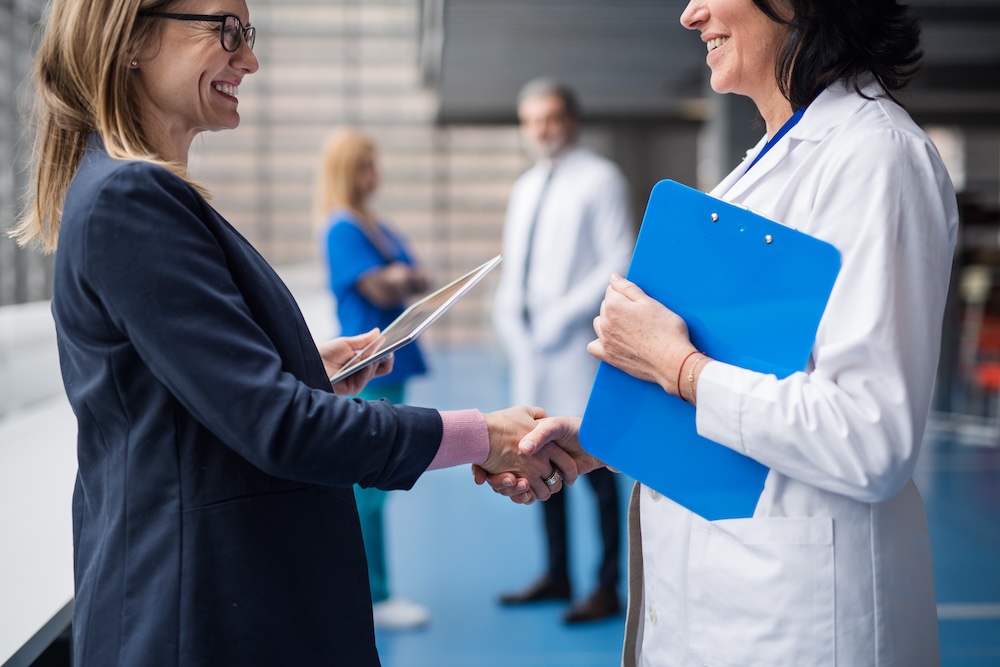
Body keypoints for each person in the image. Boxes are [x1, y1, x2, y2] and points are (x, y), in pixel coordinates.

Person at [9, 1, 595, 664]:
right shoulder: (131, 201)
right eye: (227, 31)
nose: (249, 59)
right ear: (132, 39)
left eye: (248, 35)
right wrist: (483, 435)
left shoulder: (127, 193)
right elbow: (279, 428)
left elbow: (188, 401)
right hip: (195, 615)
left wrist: (303, 370)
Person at [484, 0, 959, 664]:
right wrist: (607, 440)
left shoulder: (876, 158)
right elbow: (756, 381)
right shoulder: (764, 165)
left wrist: (676, 367)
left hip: (798, 618)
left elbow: (870, 435)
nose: (689, 13)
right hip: (720, 603)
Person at [490, 77, 636, 623]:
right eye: (531, 121)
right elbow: (514, 263)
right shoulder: (526, 186)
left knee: (593, 462)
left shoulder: (600, 179)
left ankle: (605, 586)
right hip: (532, 350)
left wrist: (562, 313)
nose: (541, 129)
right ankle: (557, 573)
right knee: (533, 456)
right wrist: (510, 316)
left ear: (570, 120)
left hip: (578, 346)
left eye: (549, 118)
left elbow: (614, 257)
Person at [315, 127, 432, 630]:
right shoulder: (343, 228)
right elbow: (384, 289)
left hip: (390, 363)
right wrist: (398, 276)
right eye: (365, 167)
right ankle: (373, 595)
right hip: (363, 367)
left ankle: (372, 591)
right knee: (369, 489)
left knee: (377, 488)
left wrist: (397, 276)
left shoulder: (373, 227)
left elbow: (412, 278)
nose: (374, 177)